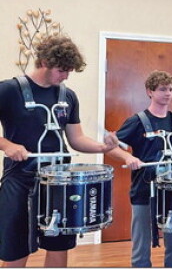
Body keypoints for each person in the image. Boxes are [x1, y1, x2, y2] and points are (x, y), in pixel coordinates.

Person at [0, 35, 120, 267]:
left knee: (59, 244)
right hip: (20, 177)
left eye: (69, 71)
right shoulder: (8, 90)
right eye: (62, 70)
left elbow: (76, 139)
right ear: (45, 61)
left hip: (60, 181)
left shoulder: (67, 96)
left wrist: (102, 147)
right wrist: (7, 145)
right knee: (16, 247)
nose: (66, 76)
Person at [105, 70, 172, 267]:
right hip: (143, 189)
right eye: (163, 89)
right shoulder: (137, 121)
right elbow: (112, 147)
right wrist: (128, 156)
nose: (168, 94)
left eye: (171, 89)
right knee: (141, 243)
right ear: (150, 91)